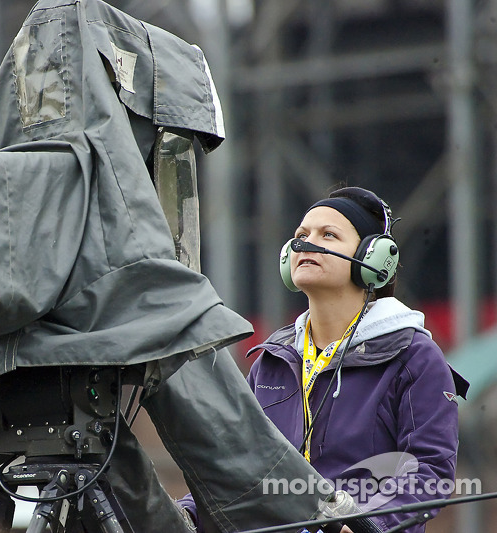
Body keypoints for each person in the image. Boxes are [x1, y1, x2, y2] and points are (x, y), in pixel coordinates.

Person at [179, 186, 468, 532]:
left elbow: (429, 472)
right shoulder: (270, 362)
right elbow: (233, 465)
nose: (305, 244)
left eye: (328, 235)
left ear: (373, 259)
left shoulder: (415, 356)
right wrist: (186, 514)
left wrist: (364, 523)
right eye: (300, 235)